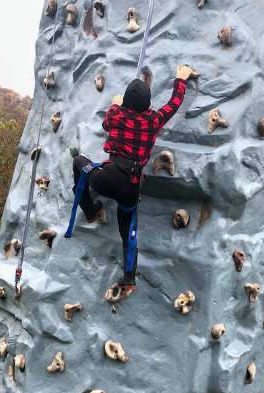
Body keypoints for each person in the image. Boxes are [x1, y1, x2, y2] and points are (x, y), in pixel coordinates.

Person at [72, 65, 195, 296]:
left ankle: (89, 210)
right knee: (128, 230)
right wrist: (180, 80)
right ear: (148, 104)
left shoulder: (117, 116)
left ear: (126, 102)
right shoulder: (153, 120)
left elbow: (106, 122)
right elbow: (173, 105)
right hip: (131, 185)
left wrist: (116, 103)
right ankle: (129, 278)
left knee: (79, 162)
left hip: (104, 179)